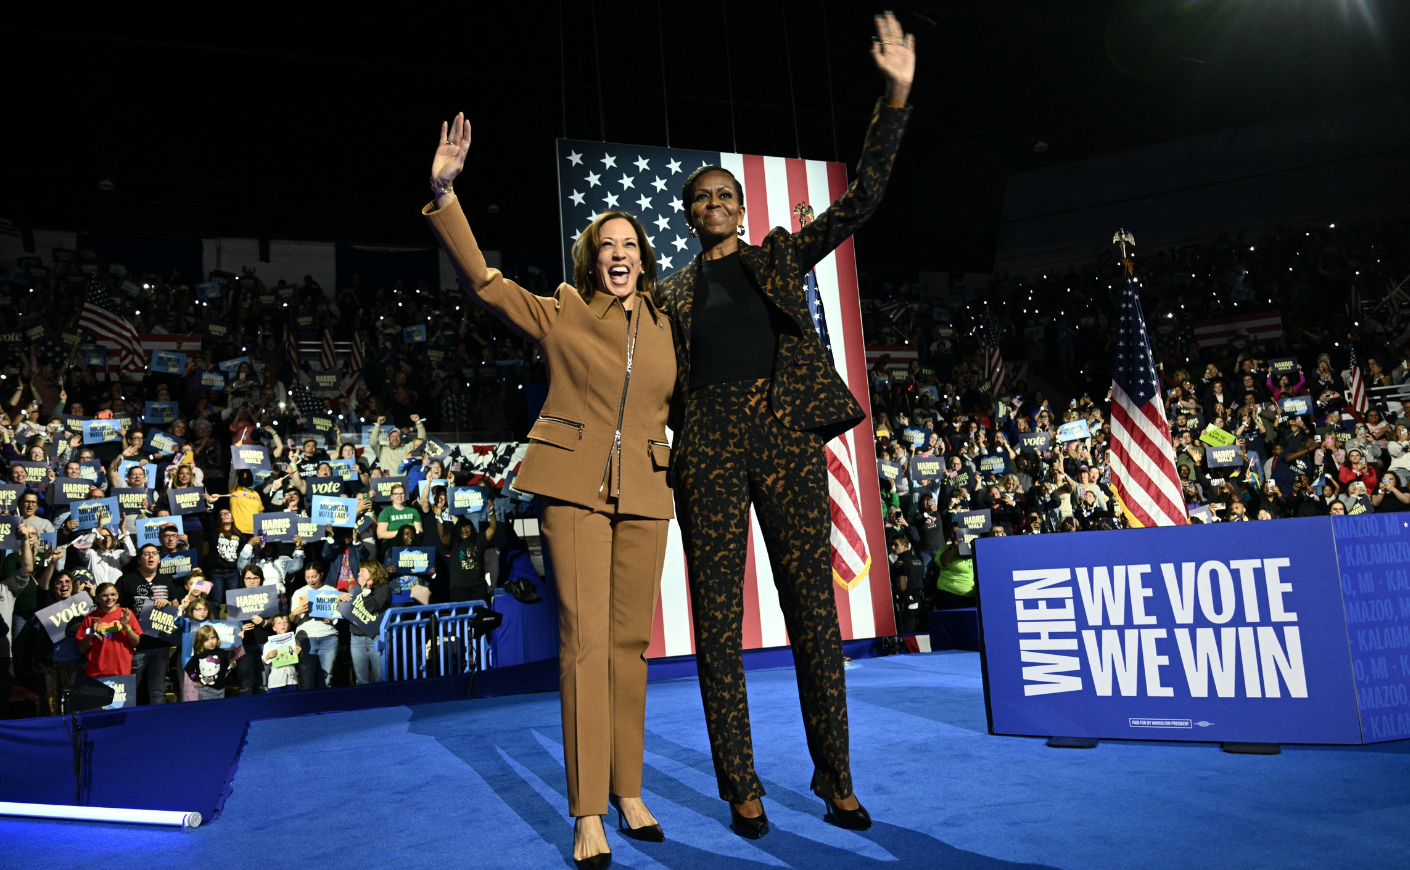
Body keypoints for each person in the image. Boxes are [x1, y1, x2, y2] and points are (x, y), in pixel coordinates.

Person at [651, 12, 913, 837]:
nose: (719, 205)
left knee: (814, 617)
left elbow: (864, 199)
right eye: (704, 199)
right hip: (708, 449)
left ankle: (837, 781)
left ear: (739, 206)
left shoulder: (779, 256)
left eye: (726, 195)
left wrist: (896, 94)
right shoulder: (671, 293)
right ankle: (742, 788)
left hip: (784, 433)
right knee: (718, 626)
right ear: (689, 215)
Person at [425, 112, 676, 866]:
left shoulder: (670, 325)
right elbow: (485, 282)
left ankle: (629, 790)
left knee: (630, 647)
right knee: (584, 644)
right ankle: (587, 811)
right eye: (607, 246)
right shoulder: (564, 310)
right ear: (591, 258)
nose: (619, 255)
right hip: (571, 487)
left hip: (648, 492)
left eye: (630, 245)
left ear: (646, 256)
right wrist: (444, 193)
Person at [75, 582, 142, 678]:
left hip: (122, 672)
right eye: (105, 595)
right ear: (97, 598)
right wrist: (91, 632)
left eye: (113, 594)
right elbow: (81, 649)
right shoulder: (90, 618)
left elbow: (136, 642)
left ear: (117, 595)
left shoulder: (126, 613)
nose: (110, 598)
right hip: (96, 673)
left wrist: (126, 626)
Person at [341, 560, 392, 684]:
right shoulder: (356, 588)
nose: (358, 574)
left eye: (362, 571)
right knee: (361, 679)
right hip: (357, 639)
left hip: (376, 638)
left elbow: (372, 607)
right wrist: (341, 598)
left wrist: (364, 590)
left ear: (372, 572)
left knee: (381, 677)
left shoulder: (384, 588)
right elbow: (347, 611)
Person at [289, 563, 339, 689]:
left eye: (314, 576)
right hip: (306, 639)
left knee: (327, 679)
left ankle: (326, 708)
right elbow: (292, 620)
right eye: (308, 577)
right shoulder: (299, 593)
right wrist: (295, 612)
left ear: (321, 575)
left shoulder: (332, 591)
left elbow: (339, 619)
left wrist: (333, 619)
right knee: (306, 680)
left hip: (328, 638)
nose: (311, 580)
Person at [184, 624, 231, 701]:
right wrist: (196, 679)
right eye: (206, 640)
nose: (211, 642)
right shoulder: (199, 655)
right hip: (206, 690)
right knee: (207, 711)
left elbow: (225, 667)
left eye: (213, 638)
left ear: (217, 638)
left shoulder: (222, 653)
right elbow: (188, 667)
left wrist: (231, 665)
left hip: (221, 689)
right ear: (200, 642)